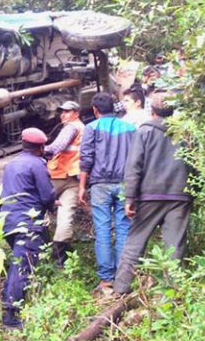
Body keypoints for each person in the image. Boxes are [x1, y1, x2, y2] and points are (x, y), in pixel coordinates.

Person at [113, 92, 194, 294]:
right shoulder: (185, 134)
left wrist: (130, 198)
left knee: (135, 242)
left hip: (149, 195)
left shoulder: (145, 131)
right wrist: (194, 192)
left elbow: (134, 166)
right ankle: (172, 292)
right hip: (180, 195)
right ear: (173, 111)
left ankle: (121, 288)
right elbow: (196, 166)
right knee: (174, 245)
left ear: (152, 110)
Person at [78, 92, 136, 292]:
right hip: (124, 184)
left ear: (95, 110)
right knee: (123, 229)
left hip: (100, 185)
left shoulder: (91, 128)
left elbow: (86, 158)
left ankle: (105, 279)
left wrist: (81, 187)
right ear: (114, 107)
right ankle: (123, 278)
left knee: (102, 230)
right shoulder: (130, 128)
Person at [0, 127, 56, 328]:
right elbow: (47, 194)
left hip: (8, 221)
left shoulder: (11, 164)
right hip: (27, 222)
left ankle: (11, 298)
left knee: (19, 263)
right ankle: (11, 317)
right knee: (22, 267)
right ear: (41, 147)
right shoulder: (37, 165)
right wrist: (52, 206)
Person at [44, 100, 84, 266]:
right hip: (74, 177)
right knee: (66, 216)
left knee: (38, 207)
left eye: (67, 112)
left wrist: (40, 149)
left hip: (58, 176)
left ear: (76, 113)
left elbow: (57, 146)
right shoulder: (84, 128)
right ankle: (60, 258)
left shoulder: (71, 127)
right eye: (62, 112)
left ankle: (43, 248)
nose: (63, 115)